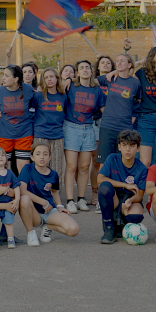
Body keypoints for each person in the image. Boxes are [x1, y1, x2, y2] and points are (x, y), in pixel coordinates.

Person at [19, 140, 80, 246]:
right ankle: (31, 233)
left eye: (45, 154)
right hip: (33, 212)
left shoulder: (53, 175)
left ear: (50, 158)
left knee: (73, 229)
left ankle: (48, 227)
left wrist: (60, 205)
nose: (42, 157)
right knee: (24, 199)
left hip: (49, 210)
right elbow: (22, 191)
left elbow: (55, 192)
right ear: (32, 157)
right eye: (38, 154)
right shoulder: (27, 169)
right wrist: (43, 202)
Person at [63, 61, 105, 213]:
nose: (85, 70)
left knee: (84, 166)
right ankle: (69, 200)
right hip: (71, 127)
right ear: (77, 73)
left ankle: (81, 198)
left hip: (89, 128)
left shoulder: (97, 90)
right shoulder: (71, 87)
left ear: (92, 71)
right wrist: (67, 80)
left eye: (87, 67)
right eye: (81, 68)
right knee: (72, 166)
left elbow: (103, 109)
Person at [95, 130, 148, 244]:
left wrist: (130, 200)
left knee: (136, 217)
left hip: (129, 200)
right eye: (124, 145)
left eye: (132, 146)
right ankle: (109, 228)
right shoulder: (112, 158)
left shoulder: (142, 169)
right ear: (119, 147)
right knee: (104, 188)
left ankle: (121, 225)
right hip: (113, 198)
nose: (127, 150)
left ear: (138, 148)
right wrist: (125, 185)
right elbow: (100, 179)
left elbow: (140, 196)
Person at [97, 55, 141, 170]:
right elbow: (91, 81)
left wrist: (134, 116)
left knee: (123, 163)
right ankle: (104, 188)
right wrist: (68, 80)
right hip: (107, 126)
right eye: (117, 61)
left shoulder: (135, 83)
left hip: (125, 128)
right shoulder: (110, 78)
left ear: (129, 65)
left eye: (122, 61)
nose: (119, 63)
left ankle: (122, 187)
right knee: (105, 163)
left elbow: (139, 102)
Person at [0, 65, 35, 174]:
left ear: (16, 79)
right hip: (4, 134)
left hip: (24, 134)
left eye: (6, 76)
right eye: (3, 75)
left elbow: (32, 106)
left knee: (23, 170)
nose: (3, 78)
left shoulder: (28, 89)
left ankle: (22, 191)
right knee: (2, 167)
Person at [32, 68, 68, 190]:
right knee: (40, 166)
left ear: (57, 78)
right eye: (46, 77)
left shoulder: (63, 96)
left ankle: (55, 197)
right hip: (41, 135)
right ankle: (39, 194)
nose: (49, 80)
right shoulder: (38, 96)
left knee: (57, 169)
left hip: (57, 136)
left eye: (51, 77)